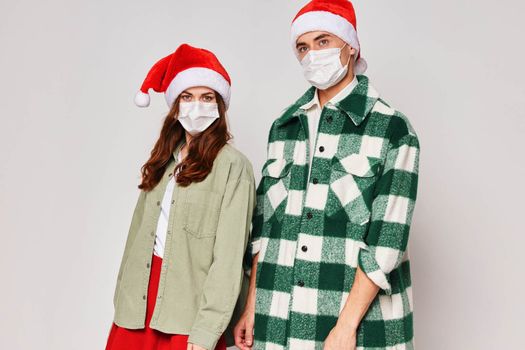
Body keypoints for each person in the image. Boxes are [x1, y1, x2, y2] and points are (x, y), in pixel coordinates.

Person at [235, 1, 420, 349]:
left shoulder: (392, 128)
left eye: (323, 42)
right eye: (303, 47)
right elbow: (265, 230)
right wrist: (251, 306)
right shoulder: (285, 126)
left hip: (354, 325)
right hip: (279, 319)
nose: (312, 55)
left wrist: (346, 326)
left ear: (351, 46)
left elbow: (387, 242)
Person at [106, 43, 256, 350]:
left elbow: (227, 261)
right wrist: (122, 299)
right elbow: (135, 237)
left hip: (188, 314)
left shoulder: (233, 167)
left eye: (206, 97)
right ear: (175, 105)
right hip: (136, 310)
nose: (196, 106)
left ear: (219, 105)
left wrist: (204, 334)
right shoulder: (164, 161)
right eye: (187, 97)